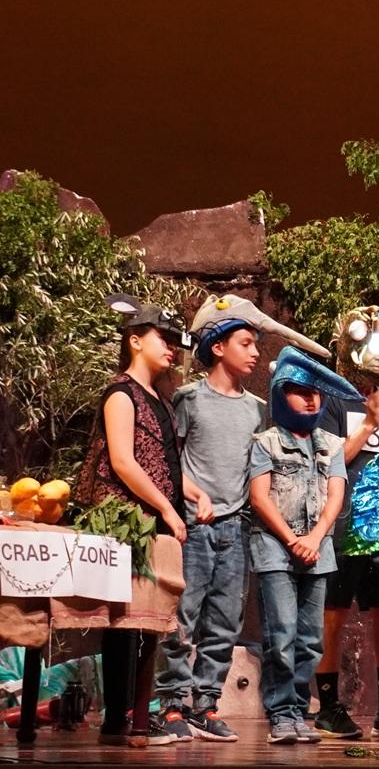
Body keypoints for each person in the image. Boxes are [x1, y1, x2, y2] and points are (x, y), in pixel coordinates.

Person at [156, 295, 309, 742]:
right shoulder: (189, 399)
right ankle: (172, 704)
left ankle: (205, 704)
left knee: (225, 622)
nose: (255, 352)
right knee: (182, 618)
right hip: (194, 525)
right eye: (246, 343)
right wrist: (193, 495)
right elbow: (170, 462)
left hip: (235, 528)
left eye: (256, 344)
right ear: (219, 347)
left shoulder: (256, 409)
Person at [76, 295, 196, 747]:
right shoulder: (121, 394)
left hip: (152, 520)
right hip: (126, 520)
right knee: (126, 622)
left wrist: (191, 493)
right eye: (161, 338)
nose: (170, 348)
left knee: (149, 620)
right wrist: (166, 508)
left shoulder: (160, 400)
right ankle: (120, 717)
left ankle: (137, 715)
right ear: (135, 340)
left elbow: (161, 462)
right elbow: (124, 462)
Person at [244, 347, 362, 744]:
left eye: (315, 393)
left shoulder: (331, 443)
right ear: (281, 394)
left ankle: (297, 709)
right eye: (300, 391)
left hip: (317, 549)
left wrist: (314, 537)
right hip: (276, 546)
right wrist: (293, 539)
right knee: (281, 634)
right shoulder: (265, 443)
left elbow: (336, 495)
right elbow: (259, 497)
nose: (311, 400)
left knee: (311, 639)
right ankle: (280, 713)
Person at [315, 304, 379, 741]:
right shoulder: (331, 398)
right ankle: (328, 706)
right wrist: (370, 423)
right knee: (334, 613)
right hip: (343, 523)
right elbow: (331, 459)